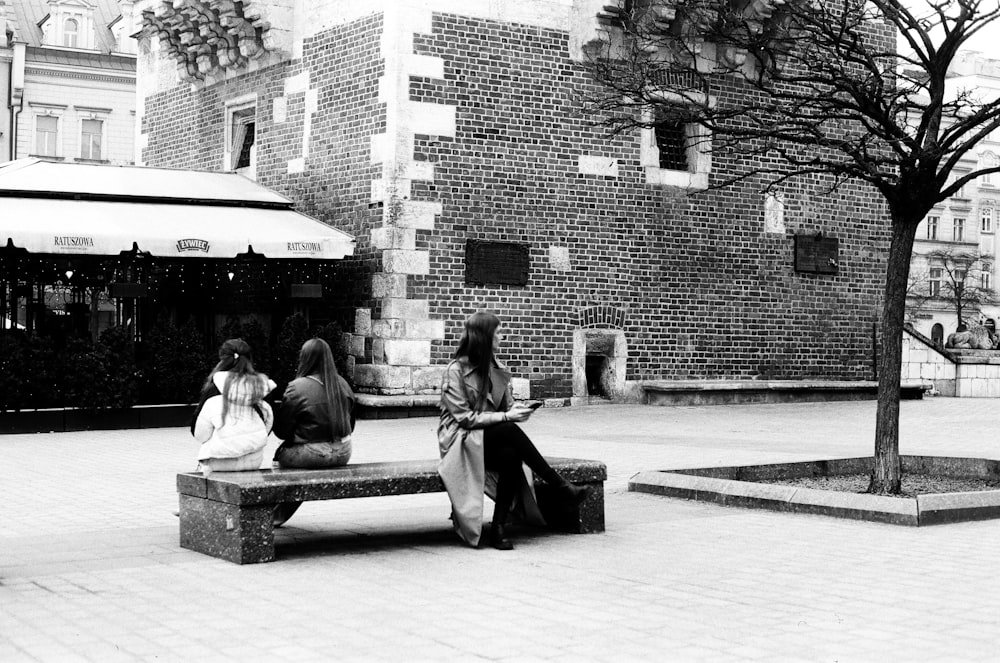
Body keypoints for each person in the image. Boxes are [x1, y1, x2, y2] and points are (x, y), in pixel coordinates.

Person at [438, 311, 590, 550]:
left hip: (490, 437)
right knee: (508, 431)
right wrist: (507, 416)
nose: (502, 337)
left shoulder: (496, 367)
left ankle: (498, 526)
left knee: (511, 455)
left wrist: (518, 410)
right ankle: (559, 486)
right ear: (484, 337)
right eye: (498, 333)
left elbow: (505, 408)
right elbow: (464, 418)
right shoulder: (455, 370)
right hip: (460, 439)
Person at [191, 338, 276, 475]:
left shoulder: (214, 389)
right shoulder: (262, 389)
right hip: (253, 461)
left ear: (222, 359)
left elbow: (200, 434)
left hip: (218, 461)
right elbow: (268, 425)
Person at [273, 337, 356, 469]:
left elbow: (282, 431)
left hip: (312, 453)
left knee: (278, 458)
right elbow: (350, 425)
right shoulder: (343, 384)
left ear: (304, 358)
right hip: (344, 452)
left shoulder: (297, 387)